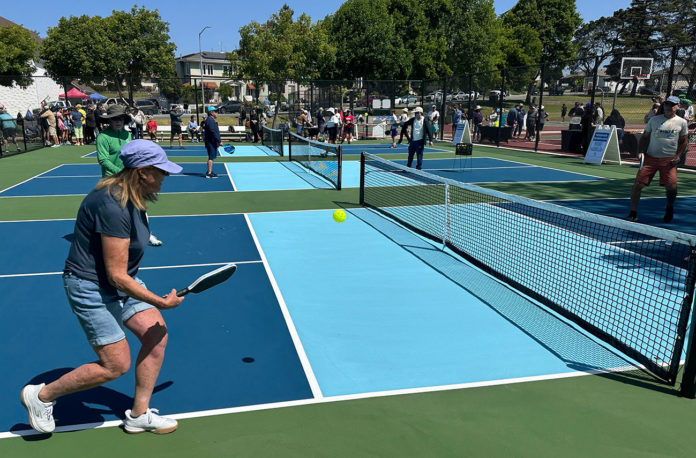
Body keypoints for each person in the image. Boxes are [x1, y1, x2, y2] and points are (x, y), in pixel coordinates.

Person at [20, 140, 184, 435]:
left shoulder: (132, 195)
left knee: (156, 335)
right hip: (90, 286)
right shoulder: (113, 205)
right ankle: (41, 396)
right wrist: (159, 301)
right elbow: (117, 275)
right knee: (115, 364)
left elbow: (122, 272)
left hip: (117, 282)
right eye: (161, 172)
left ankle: (139, 414)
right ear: (143, 172)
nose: (165, 177)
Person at [96, 105, 163, 247]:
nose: (118, 121)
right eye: (114, 119)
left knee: (140, 207)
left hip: (129, 178)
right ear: (109, 121)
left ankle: (146, 234)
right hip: (111, 180)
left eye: (120, 118)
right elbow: (103, 160)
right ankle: (109, 238)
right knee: (115, 211)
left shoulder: (127, 135)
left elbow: (132, 153)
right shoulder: (103, 137)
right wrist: (119, 173)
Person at [627, 96, 689, 223]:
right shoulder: (654, 120)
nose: (668, 107)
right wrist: (640, 152)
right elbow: (644, 137)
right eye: (666, 104)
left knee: (671, 187)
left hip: (669, 160)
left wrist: (678, 155)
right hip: (650, 158)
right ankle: (632, 212)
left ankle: (669, 207)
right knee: (637, 185)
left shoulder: (682, 122)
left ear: (677, 107)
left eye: (672, 105)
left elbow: (684, 141)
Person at [202, 106, 221, 178]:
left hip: (212, 142)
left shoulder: (211, 120)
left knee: (212, 157)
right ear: (211, 113)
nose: (217, 113)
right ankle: (209, 173)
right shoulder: (210, 120)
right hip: (211, 142)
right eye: (215, 112)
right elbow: (213, 132)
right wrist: (219, 141)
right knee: (211, 157)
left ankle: (209, 171)